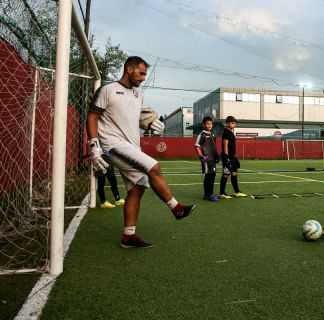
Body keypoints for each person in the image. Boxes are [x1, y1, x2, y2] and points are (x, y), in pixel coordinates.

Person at [87, 56, 195, 249]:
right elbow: (93, 116)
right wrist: (94, 146)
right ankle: (176, 208)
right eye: (141, 73)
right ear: (129, 69)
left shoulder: (138, 95)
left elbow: (137, 116)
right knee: (153, 166)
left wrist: (149, 122)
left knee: (137, 188)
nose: (144, 77)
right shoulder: (108, 90)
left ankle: (128, 236)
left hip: (131, 146)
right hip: (113, 145)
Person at [219, 116, 248, 199]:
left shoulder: (231, 132)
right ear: (227, 123)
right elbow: (225, 146)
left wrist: (234, 157)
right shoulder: (226, 132)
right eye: (232, 123)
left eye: (234, 123)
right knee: (226, 174)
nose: (234, 124)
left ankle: (237, 192)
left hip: (233, 158)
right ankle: (222, 193)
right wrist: (226, 158)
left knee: (234, 174)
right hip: (227, 158)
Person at [194, 116, 220, 202]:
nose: (209, 125)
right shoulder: (202, 135)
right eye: (208, 124)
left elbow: (213, 147)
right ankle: (207, 195)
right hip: (206, 160)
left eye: (211, 124)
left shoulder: (211, 134)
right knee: (208, 176)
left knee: (212, 175)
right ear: (204, 124)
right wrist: (202, 156)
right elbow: (197, 146)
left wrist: (216, 155)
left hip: (212, 159)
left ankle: (210, 193)